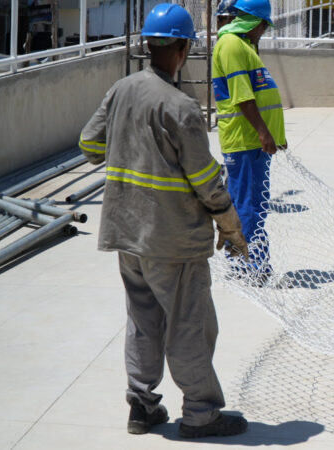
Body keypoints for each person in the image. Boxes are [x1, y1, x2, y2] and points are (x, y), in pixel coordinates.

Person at [78, 3, 250, 438]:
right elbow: (207, 181)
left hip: (126, 234)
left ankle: (142, 406)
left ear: (148, 44)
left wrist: (130, 151)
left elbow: (88, 144)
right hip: (172, 241)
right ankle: (200, 414)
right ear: (183, 48)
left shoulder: (122, 89)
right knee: (189, 325)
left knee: (143, 321)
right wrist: (230, 225)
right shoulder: (181, 107)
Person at [212, 0, 286, 285]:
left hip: (253, 141)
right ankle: (251, 266)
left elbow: (261, 94)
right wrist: (264, 133)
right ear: (256, 22)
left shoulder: (242, 46)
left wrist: (275, 135)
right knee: (248, 206)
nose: (264, 32)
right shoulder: (231, 45)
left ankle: (248, 263)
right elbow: (243, 97)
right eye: (265, 26)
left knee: (249, 204)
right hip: (245, 141)